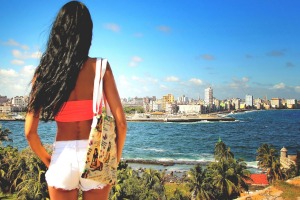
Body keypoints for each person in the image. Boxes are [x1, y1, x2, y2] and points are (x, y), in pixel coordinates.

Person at [24, 1, 127, 200]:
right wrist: (112, 161)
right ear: (88, 32)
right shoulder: (101, 67)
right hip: (97, 153)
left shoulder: (45, 72)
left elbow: (30, 133)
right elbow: (121, 124)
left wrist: (49, 161)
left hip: (63, 156)